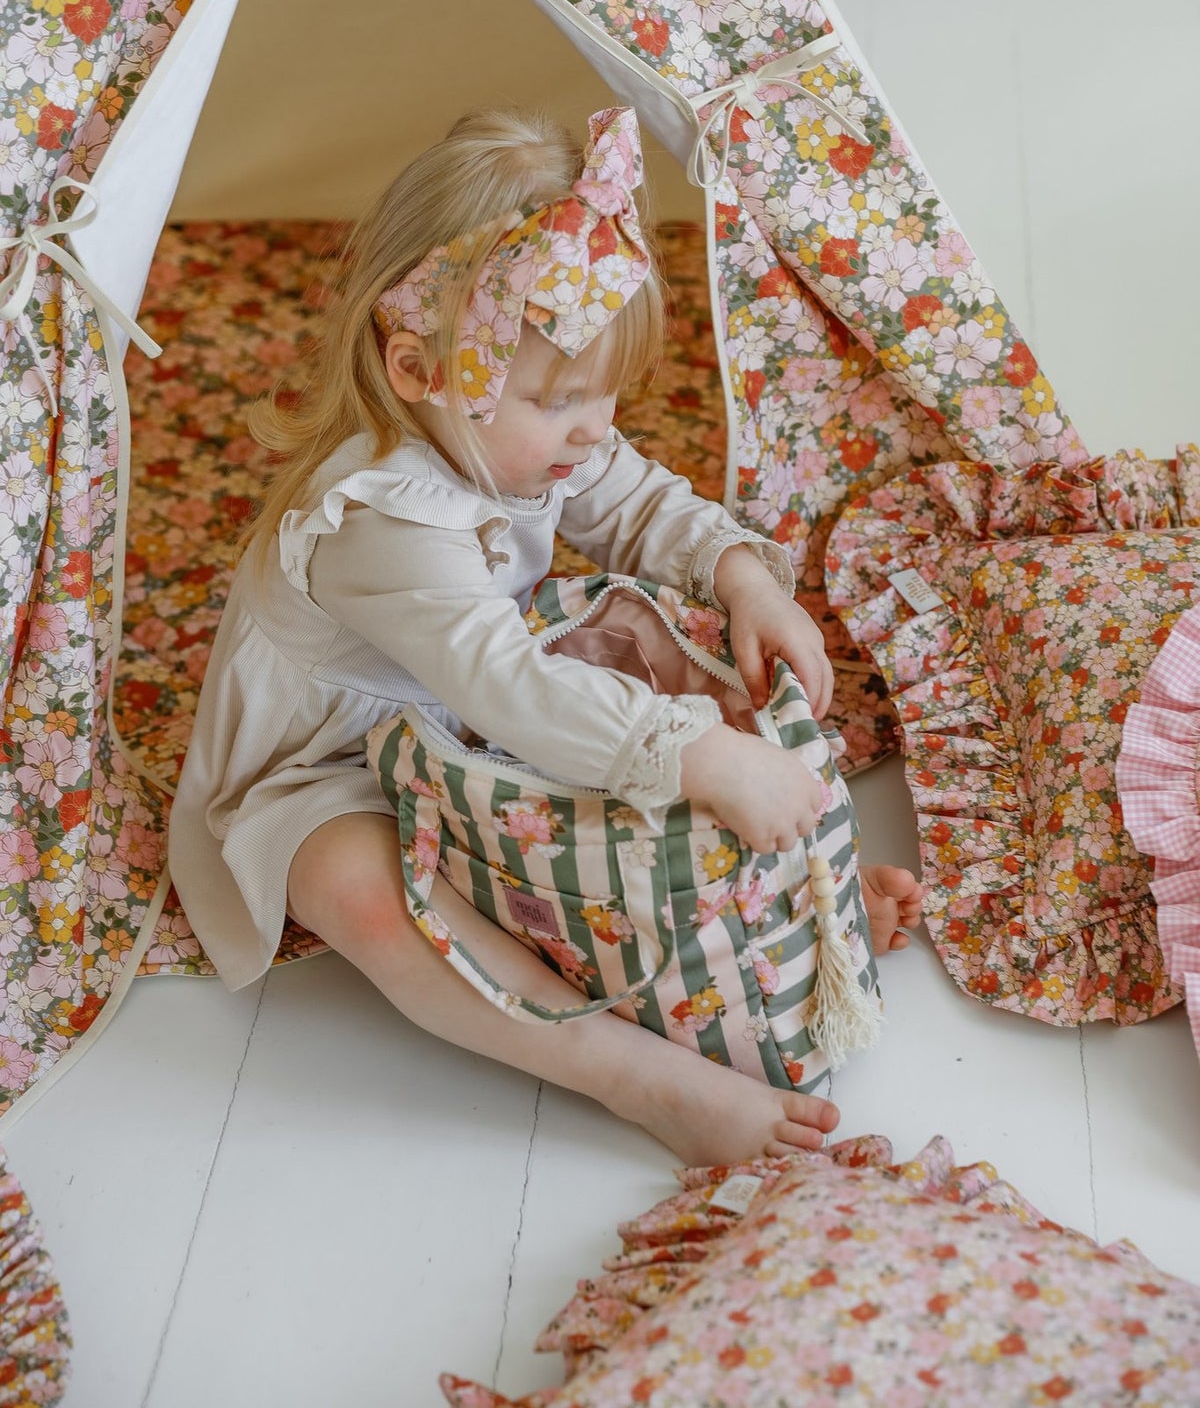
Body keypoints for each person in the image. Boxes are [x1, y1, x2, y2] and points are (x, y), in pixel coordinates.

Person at [168, 104, 923, 1166]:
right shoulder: (380, 523)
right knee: (368, 892)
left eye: (606, 394)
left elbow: (636, 501)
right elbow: (512, 686)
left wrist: (741, 574)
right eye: (560, 398)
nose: (594, 428)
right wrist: (699, 754)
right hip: (330, 766)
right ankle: (634, 1072)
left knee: (647, 685)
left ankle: (781, 915)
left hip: (478, 732)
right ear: (418, 371)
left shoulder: (537, 431)